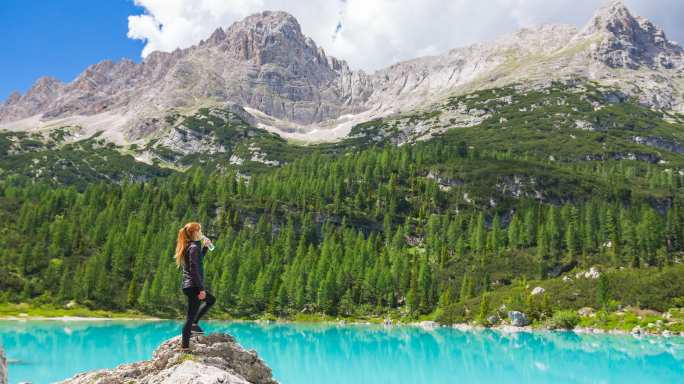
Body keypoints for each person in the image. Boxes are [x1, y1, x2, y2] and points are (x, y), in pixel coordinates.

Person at [175, 222, 216, 351]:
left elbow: (198, 261)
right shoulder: (193, 247)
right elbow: (194, 270)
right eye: (199, 231)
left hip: (190, 286)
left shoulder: (191, 247)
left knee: (211, 300)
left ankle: (194, 324)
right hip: (193, 286)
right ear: (194, 233)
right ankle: (185, 347)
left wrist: (205, 248)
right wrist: (201, 289)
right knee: (190, 317)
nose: (201, 233)